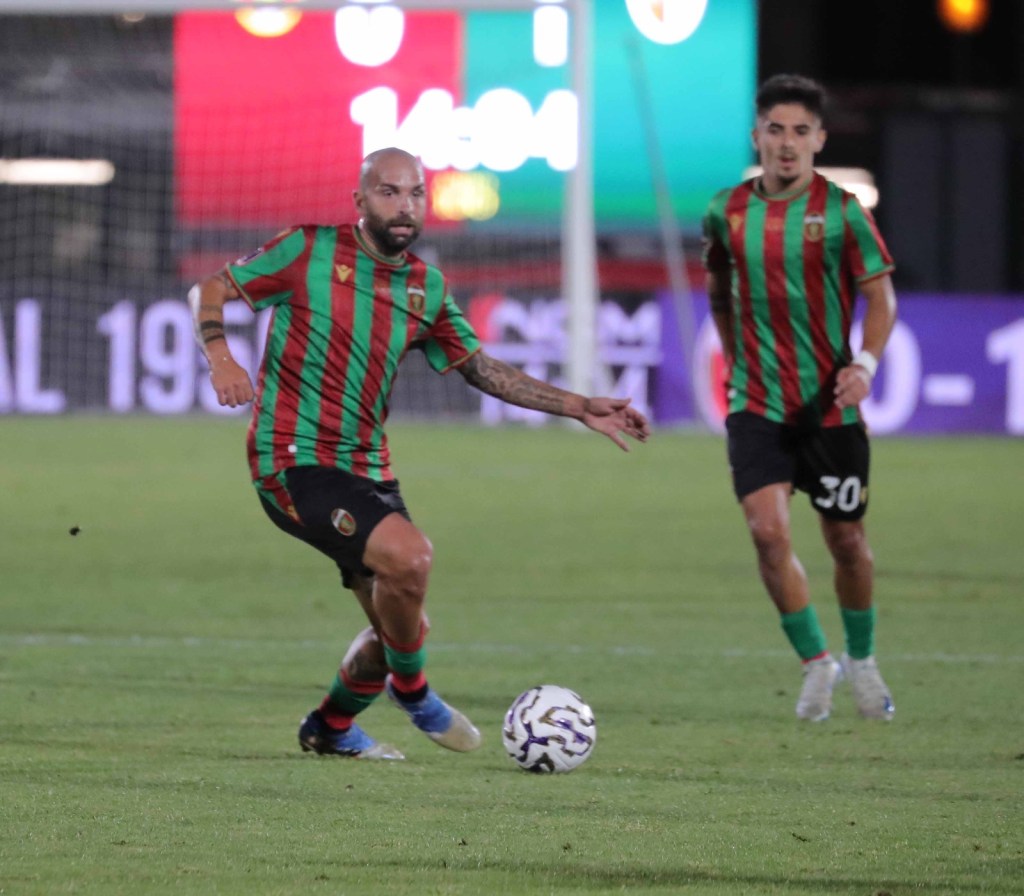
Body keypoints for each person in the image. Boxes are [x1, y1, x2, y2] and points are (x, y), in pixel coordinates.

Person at [188, 147, 651, 759]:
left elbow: (479, 367)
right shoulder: (307, 250)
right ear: (360, 200)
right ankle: (414, 692)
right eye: (388, 192)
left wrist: (578, 405)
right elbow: (211, 288)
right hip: (292, 459)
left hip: (367, 469)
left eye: (414, 194)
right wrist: (222, 356)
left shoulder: (425, 287)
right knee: (411, 560)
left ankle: (328, 728)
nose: (404, 207)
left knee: (401, 624)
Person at [702, 74, 898, 722]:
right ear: (757, 136)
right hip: (755, 404)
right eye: (775, 130)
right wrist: (738, 362)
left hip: (830, 408)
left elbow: (880, 298)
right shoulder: (725, 212)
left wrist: (865, 364)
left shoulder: (842, 211)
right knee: (765, 534)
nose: (787, 144)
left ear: (819, 139)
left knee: (846, 541)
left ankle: (863, 662)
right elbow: (720, 293)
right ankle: (818, 665)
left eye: (800, 132)